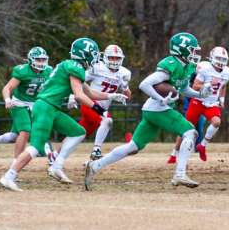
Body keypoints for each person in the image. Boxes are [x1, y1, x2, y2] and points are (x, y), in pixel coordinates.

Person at [84, 32, 213, 190]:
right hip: (158, 109)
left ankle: (95, 166)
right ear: (182, 50)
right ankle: (180, 174)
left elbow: (184, 89)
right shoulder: (171, 64)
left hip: (153, 110)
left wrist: (200, 94)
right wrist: (160, 98)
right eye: (192, 50)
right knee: (190, 133)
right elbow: (144, 84)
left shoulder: (187, 66)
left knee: (133, 147)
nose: (195, 53)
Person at [0, 37, 127, 191]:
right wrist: (101, 111)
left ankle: (56, 166)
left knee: (78, 132)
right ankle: (9, 176)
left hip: (51, 108)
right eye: (92, 53)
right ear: (85, 54)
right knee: (36, 147)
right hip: (45, 107)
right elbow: (79, 95)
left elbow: (90, 92)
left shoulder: (70, 65)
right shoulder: (75, 67)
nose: (95, 57)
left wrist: (111, 96)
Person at [0, 47, 52, 161]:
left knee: (14, 136)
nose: (41, 62)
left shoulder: (49, 71)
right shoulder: (23, 71)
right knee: (25, 131)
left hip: (35, 105)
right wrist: (7, 100)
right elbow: (8, 87)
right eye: (38, 60)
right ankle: (16, 164)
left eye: (43, 59)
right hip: (19, 103)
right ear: (30, 60)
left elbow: (56, 85)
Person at [167, 46, 229, 163]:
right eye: (218, 58)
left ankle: (202, 146)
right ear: (211, 57)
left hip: (212, 103)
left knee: (217, 122)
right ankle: (174, 154)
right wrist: (205, 86)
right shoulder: (205, 68)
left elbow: (223, 85)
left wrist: (222, 98)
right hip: (198, 101)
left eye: (223, 59)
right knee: (186, 128)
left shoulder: (227, 72)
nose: (221, 62)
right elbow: (195, 86)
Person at [68, 44, 131, 160]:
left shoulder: (124, 73)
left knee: (78, 135)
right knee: (107, 121)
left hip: (103, 107)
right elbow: (78, 80)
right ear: (105, 57)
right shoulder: (97, 67)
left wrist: (125, 87)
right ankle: (96, 150)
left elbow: (128, 96)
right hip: (89, 103)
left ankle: (56, 155)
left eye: (117, 58)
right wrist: (73, 95)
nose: (114, 60)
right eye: (112, 57)